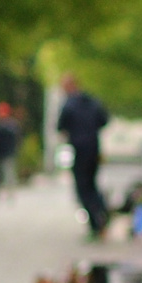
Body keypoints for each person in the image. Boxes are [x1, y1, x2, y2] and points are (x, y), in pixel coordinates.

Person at [56, 74, 109, 238]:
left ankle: (95, 223)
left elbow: (60, 126)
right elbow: (104, 120)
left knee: (83, 188)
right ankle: (103, 211)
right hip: (94, 148)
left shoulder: (69, 104)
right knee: (92, 184)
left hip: (79, 149)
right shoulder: (92, 101)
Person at [0, 102, 21, 198]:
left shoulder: (11, 125)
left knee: (9, 173)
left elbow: (17, 139)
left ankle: (10, 192)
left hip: (8, 153)